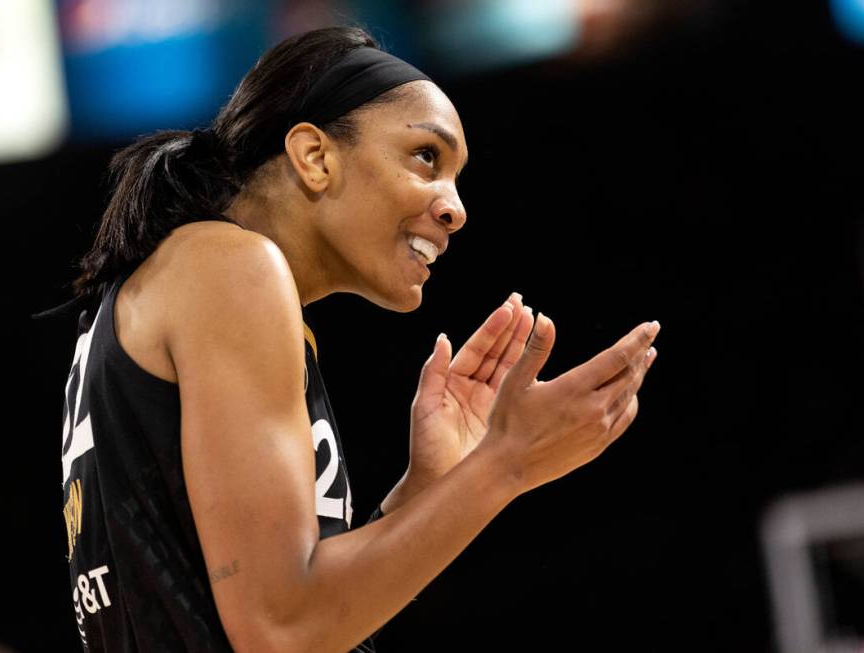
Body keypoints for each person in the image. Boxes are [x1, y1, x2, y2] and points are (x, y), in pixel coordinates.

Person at [56, 25, 660, 653]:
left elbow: (305, 617)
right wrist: (504, 464)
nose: (456, 208)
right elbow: (281, 630)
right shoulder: (231, 268)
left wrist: (428, 492)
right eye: (427, 156)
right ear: (315, 156)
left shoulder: (182, 282)